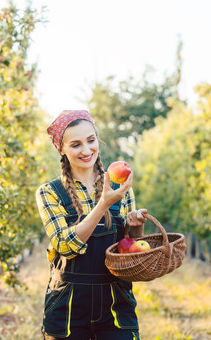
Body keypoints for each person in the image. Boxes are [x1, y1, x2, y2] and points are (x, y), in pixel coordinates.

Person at [36, 110, 147, 340]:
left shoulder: (120, 187)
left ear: (97, 139)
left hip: (115, 302)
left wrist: (136, 228)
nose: (86, 151)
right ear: (62, 149)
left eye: (91, 140)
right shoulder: (49, 193)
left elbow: (128, 252)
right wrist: (103, 205)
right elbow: (65, 246)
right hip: (67, 306)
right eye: (76, 144)